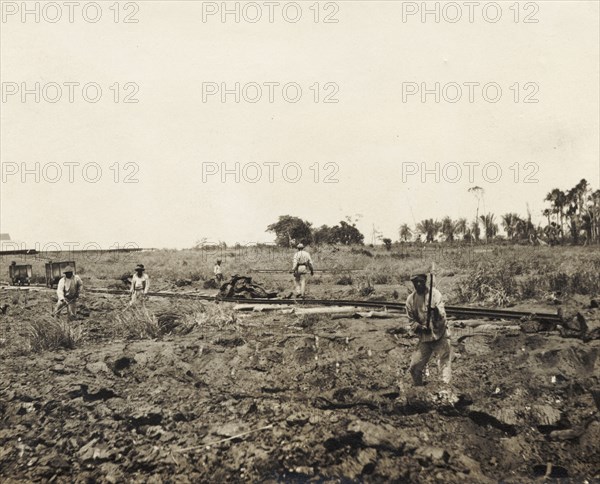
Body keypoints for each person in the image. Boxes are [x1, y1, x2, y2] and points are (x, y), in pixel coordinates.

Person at [405, 272, 452, 386]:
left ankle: (445, 391)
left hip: (440, 334)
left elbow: (442, 315)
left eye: (421, 281)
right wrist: (420, 327)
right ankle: (419, 390)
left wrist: (435, 310)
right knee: (415, 367)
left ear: (425, 281)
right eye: (416, 282)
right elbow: (411, 322)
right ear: (413, 284)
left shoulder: (435, 294)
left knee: (444, 363)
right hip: (425, 338)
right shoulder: (411, 300)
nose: (419, 284)